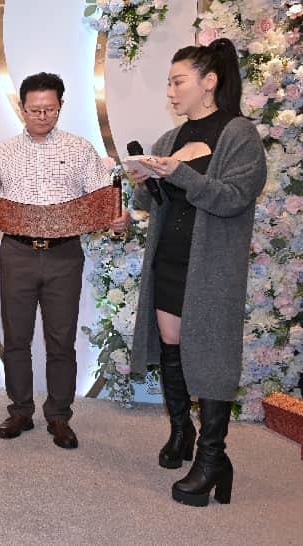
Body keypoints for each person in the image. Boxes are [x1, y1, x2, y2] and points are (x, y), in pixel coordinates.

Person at [0, 72, 130, 449]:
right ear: (22, 107)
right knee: (16, 338)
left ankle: (59, 416)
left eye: (49, 109)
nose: (41, 116)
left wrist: (118, 219)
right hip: (16, 252)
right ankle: (20, 410)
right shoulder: (3, 152)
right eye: (34, 110)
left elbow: (105, 201)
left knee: (61, 339)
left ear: (61, 106)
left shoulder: (80, 148)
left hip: (64, 254)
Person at [128, 39, 266, 507]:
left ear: (209, 82)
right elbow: (156, 204)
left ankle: (212, 459)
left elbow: (234, 198)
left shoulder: (238, 133)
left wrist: (180, 174)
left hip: (211, 266)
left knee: (210, 356)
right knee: (171, 345)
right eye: (168, 83)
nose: (170, 92)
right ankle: (181, 430)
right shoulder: (170, 140)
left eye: (177, 82)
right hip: (170, 257)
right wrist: (145, 182)